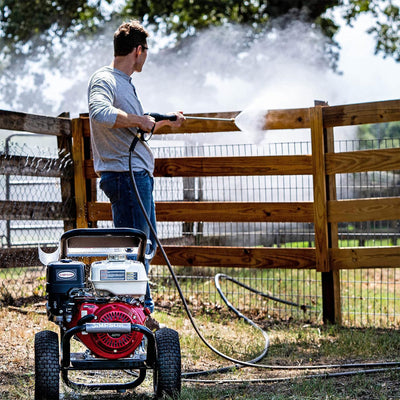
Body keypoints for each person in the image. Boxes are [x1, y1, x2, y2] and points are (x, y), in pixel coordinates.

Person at [88, 20, 185, 323]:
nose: (146, 58)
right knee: (135, 249)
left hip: (132, 176)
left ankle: (136, 314)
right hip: (125, 177)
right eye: (146, 52)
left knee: (138, 247)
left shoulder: (124, 83)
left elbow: (136, 129)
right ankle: (138, 317)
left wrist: (164, 121)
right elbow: (100, 112)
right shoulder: (105, 79)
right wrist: (137, 120)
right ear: (138, 50)